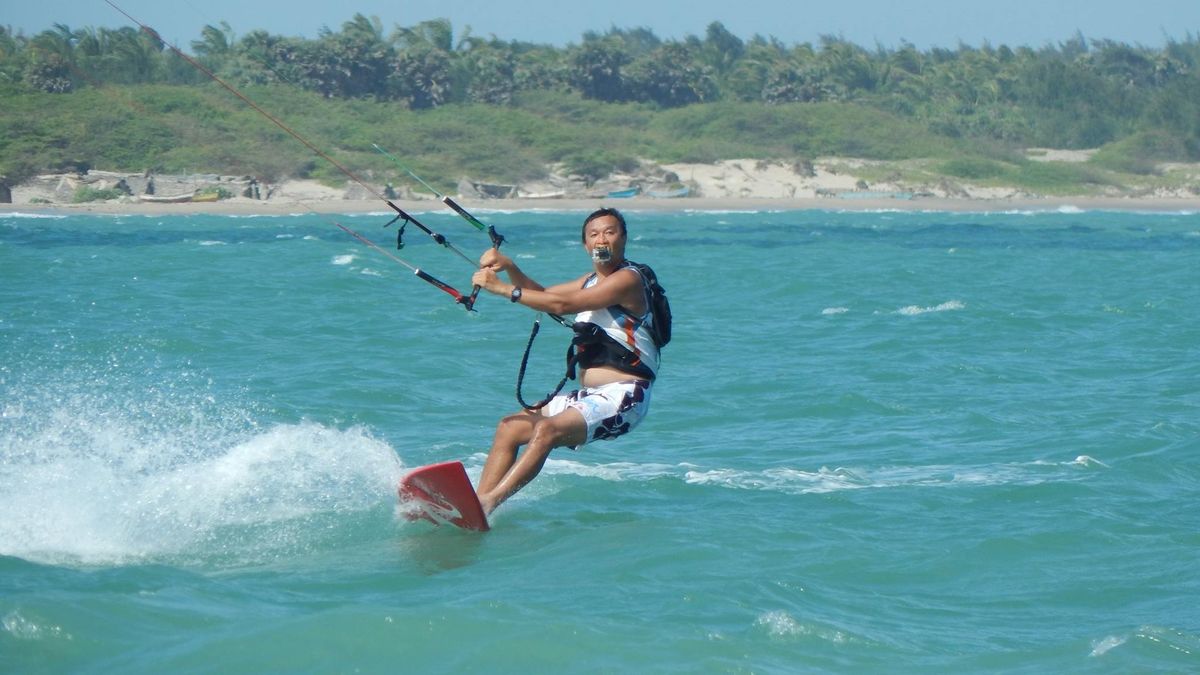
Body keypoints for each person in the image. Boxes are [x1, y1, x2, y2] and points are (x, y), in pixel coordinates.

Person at [470, 207, 661, 515]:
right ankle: (475, 508)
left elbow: (562, 304)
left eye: (610, 232)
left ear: (624, 239)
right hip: (591, 396)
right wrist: (510, 267)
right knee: (510, 427)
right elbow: (544, 296)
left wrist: (502, 289)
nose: (601, 239)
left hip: (626, 396)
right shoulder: (589, 281)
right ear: (585, 245)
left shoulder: (628, 279)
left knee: (547, 431)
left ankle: (488, 503)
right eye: (593, 234)